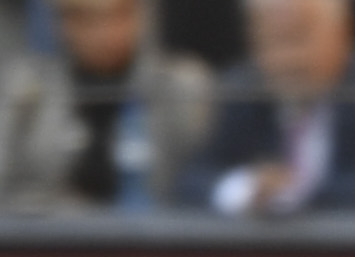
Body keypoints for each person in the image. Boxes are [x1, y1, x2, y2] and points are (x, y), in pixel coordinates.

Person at [176, 0, 355, 211]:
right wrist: (245, 188)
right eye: (270, 41)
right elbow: (191, 181)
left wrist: (288, 191)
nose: (287, 60)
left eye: (298, 38)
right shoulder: (242, 88)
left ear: (344, 31)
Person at [0, 0, 210, 206]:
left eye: (119, 15)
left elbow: (201, 174)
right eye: (84, 19)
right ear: (61, 24)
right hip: (52, 231)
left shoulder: (179, 84)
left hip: (162, 230)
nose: (103, 32)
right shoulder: (31, 87)